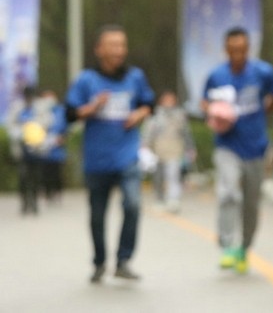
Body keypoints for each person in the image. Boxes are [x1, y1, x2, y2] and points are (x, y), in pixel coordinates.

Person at [65, 25, 156, 283]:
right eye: (113, 45)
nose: (119, 50)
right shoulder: (86, 80)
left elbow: (150, 103)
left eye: (122, 45)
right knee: (97, 216)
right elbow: (69, 113)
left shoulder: (135, 77)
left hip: (127, 156)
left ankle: (123, 260)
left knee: (133, 204)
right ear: (99, 49)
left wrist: (139, 114)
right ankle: (99, 262)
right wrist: (92, 108)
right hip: (97, 160)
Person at [203, 27, 273, 274]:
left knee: (250, 204)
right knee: (228, 193)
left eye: (242, 49)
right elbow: (204, 101)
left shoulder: (263, 72)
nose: (237, 53)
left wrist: (267, 108)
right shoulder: (217, 75)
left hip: (255, 147)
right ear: (226, 49)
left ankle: (243, 248)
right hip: (227, 145)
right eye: (233, 49)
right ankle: (227, 245)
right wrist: (215, 114)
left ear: (248, 48)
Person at [143, 90, 195, 212]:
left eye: (171, 100)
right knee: (158, 177)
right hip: (158, 149)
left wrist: (190, 148)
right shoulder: (155, 115)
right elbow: (148, 132)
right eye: (166, 100)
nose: (169, 103)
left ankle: (173, 200)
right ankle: (159, 199)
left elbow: (186, 133)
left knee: (173, 175)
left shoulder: (180, 115)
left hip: (174, 148)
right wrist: (145, 146)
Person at [5, 85, 44, 215]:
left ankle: (34, 202)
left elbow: (47, 121)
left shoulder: (39, 108)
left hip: (36, 148)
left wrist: (35, 128)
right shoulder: (17, 107)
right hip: (21, 147)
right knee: (23, 177)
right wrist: (21, 132)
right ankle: (24, 202)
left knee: (36, 176)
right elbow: (10, 125)